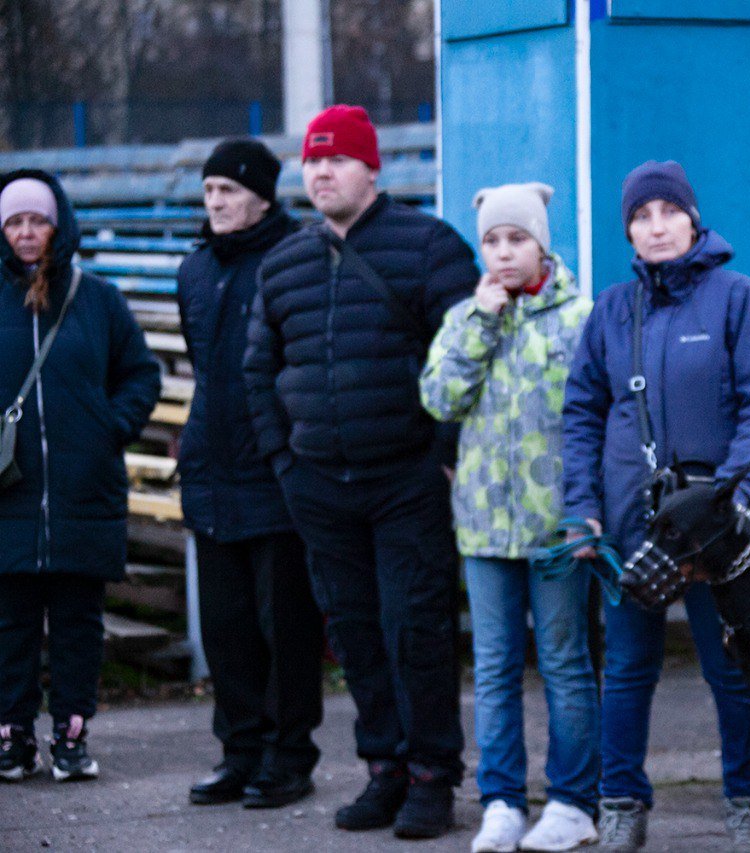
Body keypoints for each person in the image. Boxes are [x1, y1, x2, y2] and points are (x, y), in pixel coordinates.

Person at [243, 105, 479, 839]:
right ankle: (384, 768)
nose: (321, 173)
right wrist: (287, 463)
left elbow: (467, 352)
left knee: (417, 629)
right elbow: (260, 368)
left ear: (370, 168)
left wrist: (441, 459)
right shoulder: (283, 261)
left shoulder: (429, 245)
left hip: (408, 479)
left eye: (336, 160)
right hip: (319, 485)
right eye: (312, 163)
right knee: (354, 634)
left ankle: (433, 775)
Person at [562, 160, 750, 851]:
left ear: (693, 218)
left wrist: (739, 495)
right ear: (629, 228)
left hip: (720, 538)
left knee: (734, 669)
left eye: (668, 212)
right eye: (641, 215)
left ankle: (749, 797)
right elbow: (580, 414)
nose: (656, 226)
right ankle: (622, 799)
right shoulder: (610, 310)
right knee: (627, 669)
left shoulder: (736, 296)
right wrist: (582, 507)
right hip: (634, 525)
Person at [421, 182, 599, 853]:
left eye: (516, 238)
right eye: (492, 240)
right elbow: (438, 398)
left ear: (541, 244)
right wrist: (480, 321)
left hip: (556, 527)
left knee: (564, 661)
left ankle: (574, 799)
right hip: (484, 527)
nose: (503, 252)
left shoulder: (579, 316)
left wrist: (589, 512)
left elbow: (597, 417)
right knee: (493, 667)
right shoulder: (468, 315)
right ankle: (500, 798)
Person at [0, 170, 160, 783]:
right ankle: (12, 737)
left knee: (76, 623)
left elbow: (140, 374)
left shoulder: (97, 299)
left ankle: (70, 735)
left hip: (83, 489)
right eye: (14, 221)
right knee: (9, 624)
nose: (26, 233)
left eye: (37, 220)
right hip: (9, 493)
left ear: (58, 224)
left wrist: (109, 428)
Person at [178, 139, 324, 809]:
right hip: (212, 468)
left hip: (274, 471)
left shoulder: (292, 259)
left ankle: (288, 755)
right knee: (227, 626)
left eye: (228, 192)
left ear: (262, 196)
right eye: (209, 193)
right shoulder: (196, 270)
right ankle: (239, 751)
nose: (216, 204)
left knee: (284, 623)